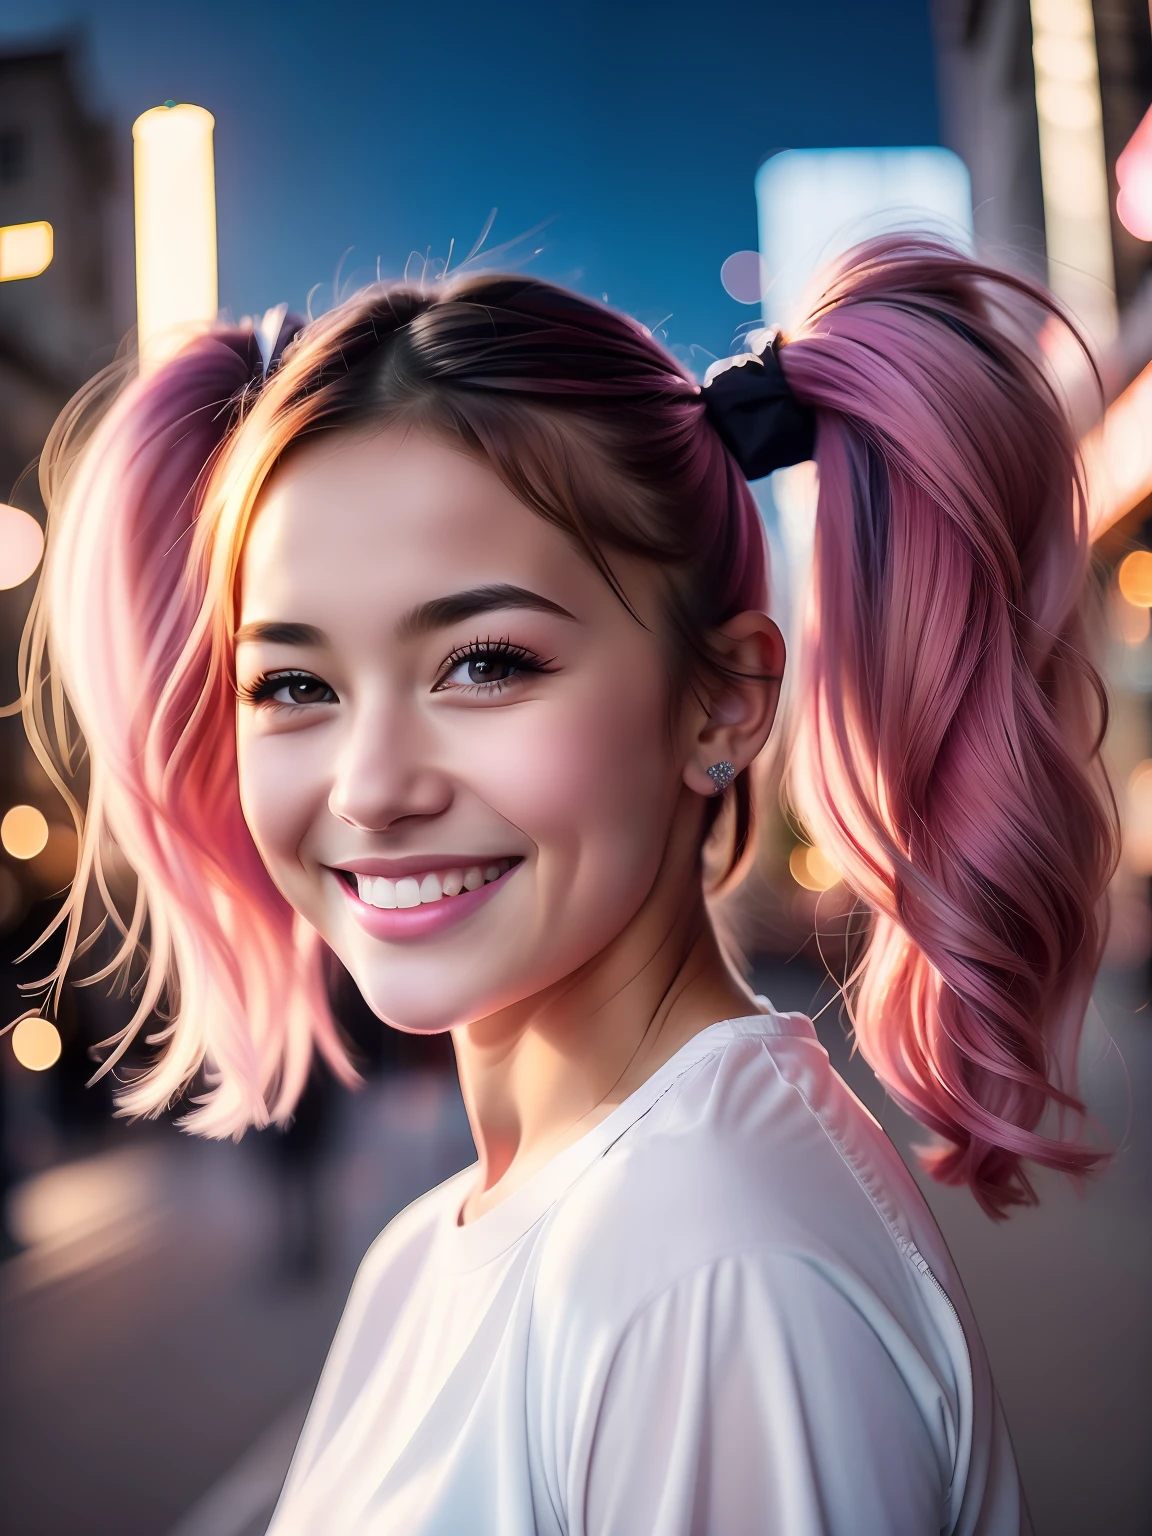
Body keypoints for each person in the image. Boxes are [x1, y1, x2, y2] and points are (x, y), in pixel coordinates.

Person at [22, 235, 1117, 1533]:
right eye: (294, 684)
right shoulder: (452, 1242)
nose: (372, 787)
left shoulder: (714, 1274)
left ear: (724, 699)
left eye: (485, 663)